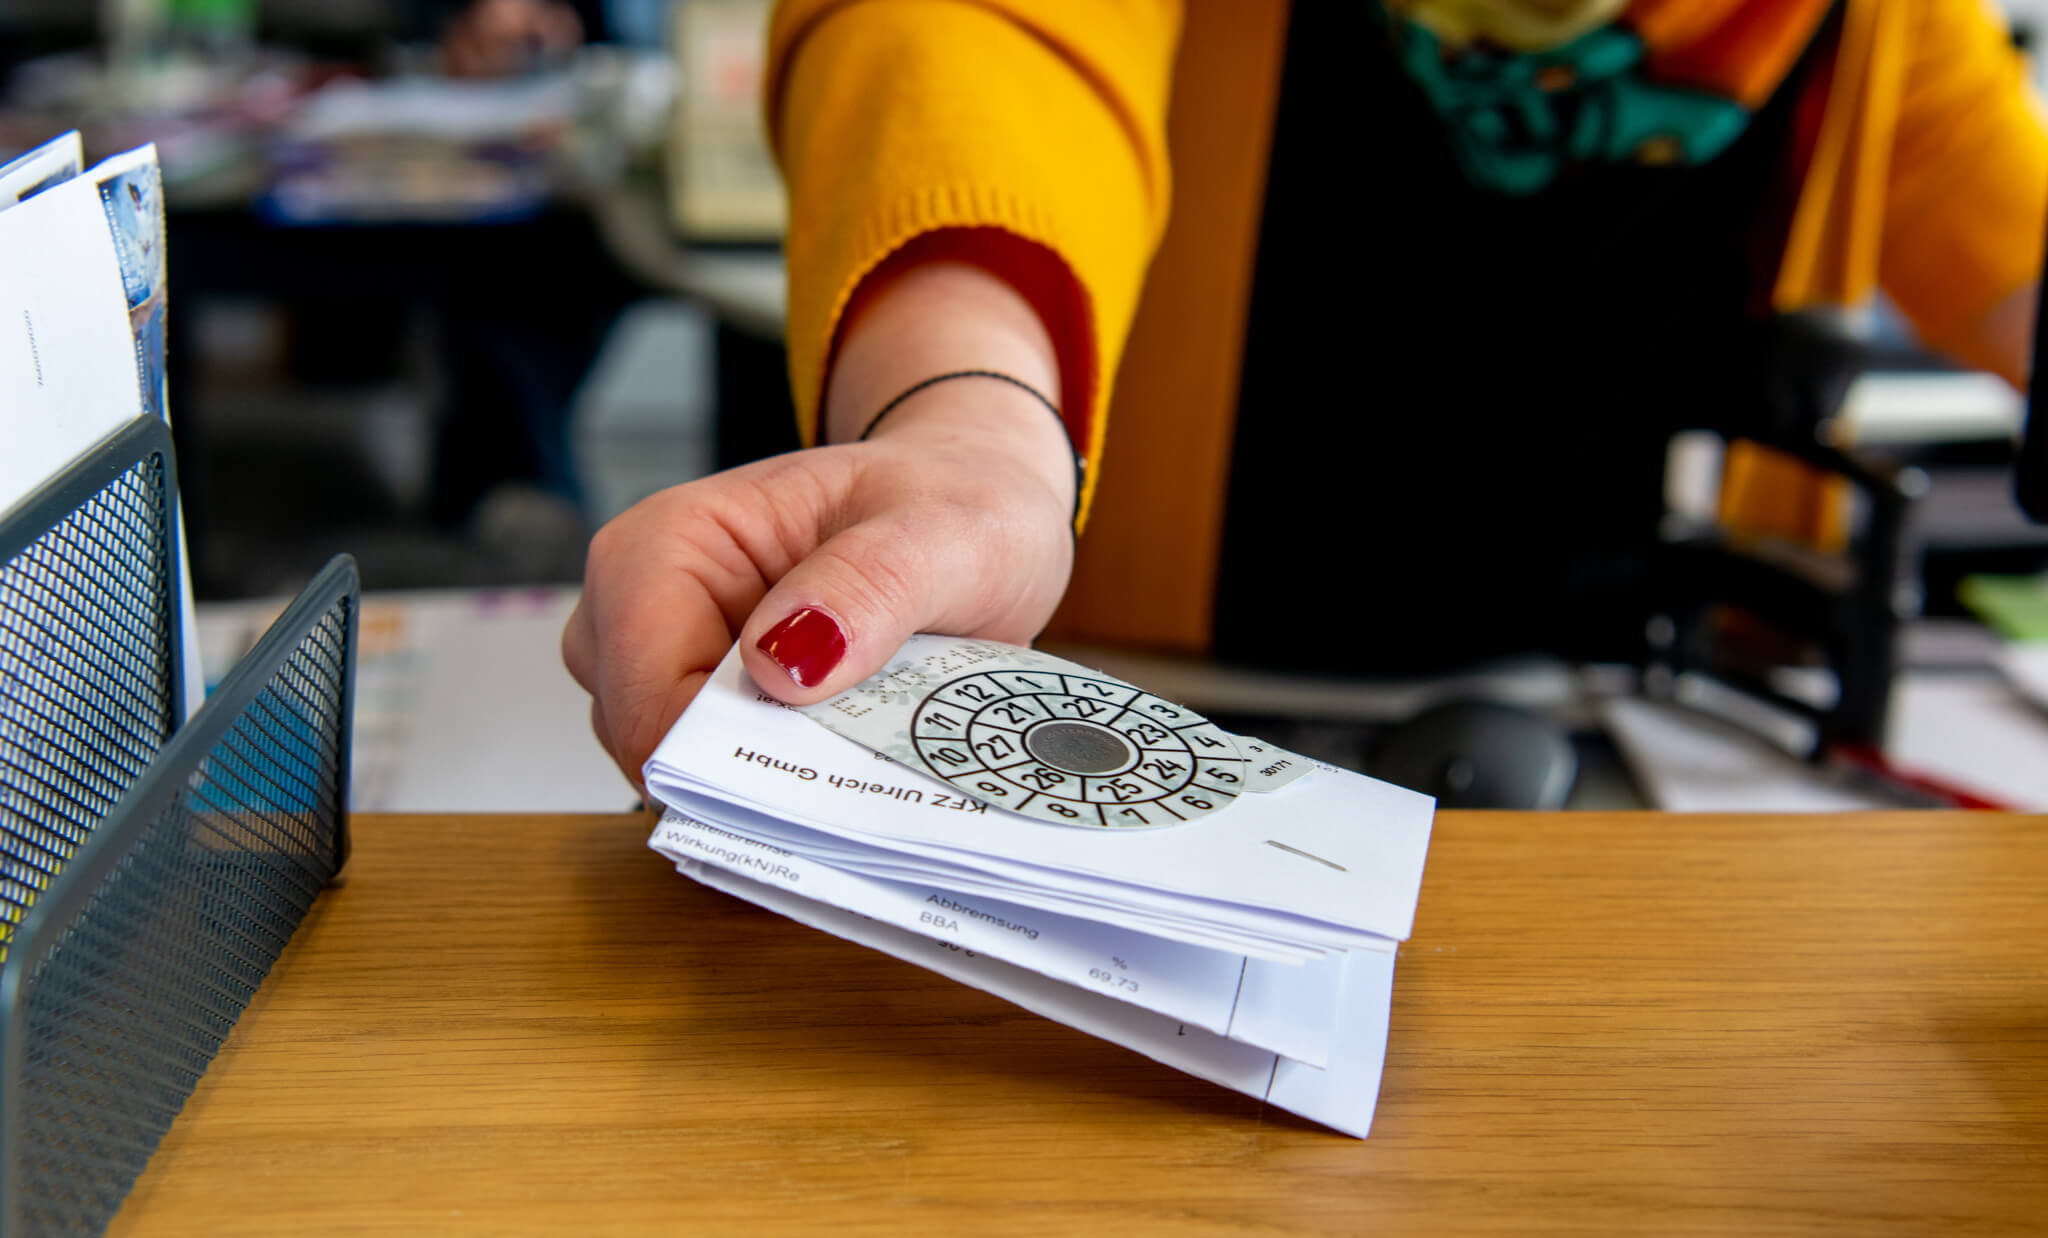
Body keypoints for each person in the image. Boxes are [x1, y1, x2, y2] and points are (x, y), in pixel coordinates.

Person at [563, 0, 2048, 788]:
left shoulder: (1864, 20)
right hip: (1154, 699)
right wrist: (970, 422)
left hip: (1611, 727)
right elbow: (982, 38)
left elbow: (2006, 234)